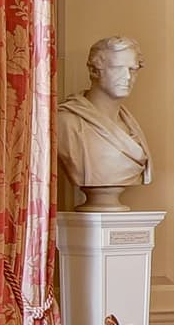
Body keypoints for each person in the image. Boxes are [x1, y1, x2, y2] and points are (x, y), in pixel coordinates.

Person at [56, 36, 153, 207]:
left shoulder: (130, 126)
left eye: (132, 69)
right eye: (117, 68)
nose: (127, 77)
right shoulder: (66, 122)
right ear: (94, 70)